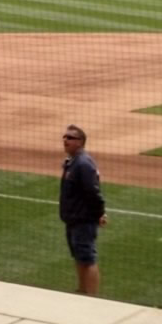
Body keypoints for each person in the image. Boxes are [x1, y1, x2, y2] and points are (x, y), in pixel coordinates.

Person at [60, 124, 107, 296]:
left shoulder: (83, 164)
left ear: (80, 142)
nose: (65, 140)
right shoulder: (71, 162)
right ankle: (82, 291)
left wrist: (99, 213)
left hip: (83, 220)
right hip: (73, 219)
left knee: (88, 258)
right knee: (79, 257)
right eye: (64, 137)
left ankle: (92, 298)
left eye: (70, 138)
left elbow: (93, 193)